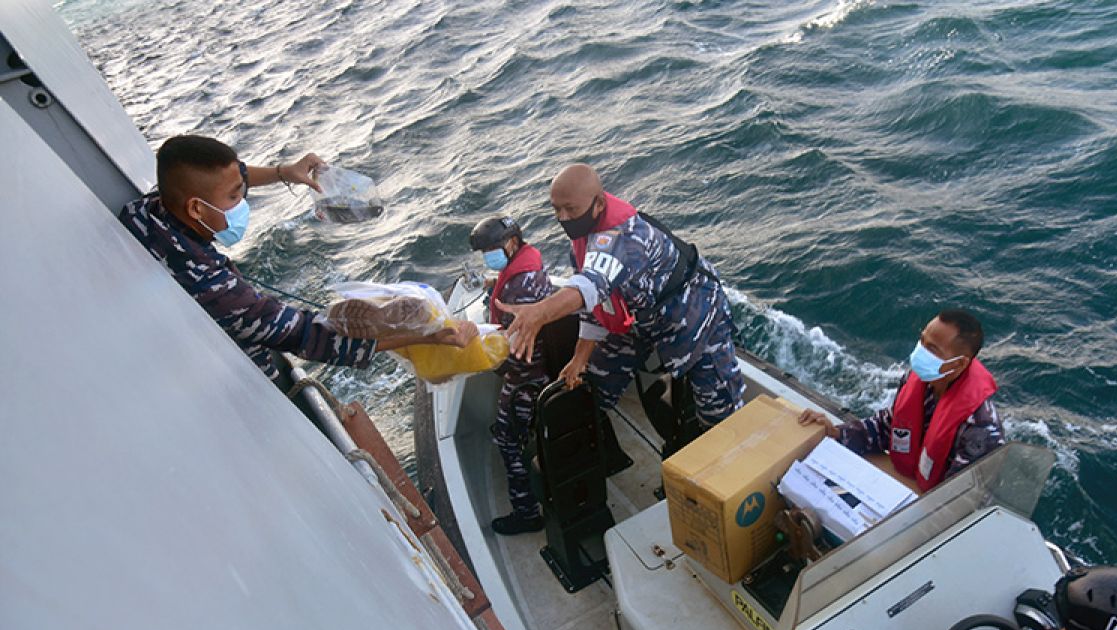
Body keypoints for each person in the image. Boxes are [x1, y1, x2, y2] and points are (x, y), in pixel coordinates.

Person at [119, 134, 476, 383]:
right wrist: (430, 336)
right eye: (234, 196)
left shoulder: (148, 212)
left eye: (241, 189)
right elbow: (312, 337)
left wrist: (281, 172)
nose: (243, 200)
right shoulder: (218, 290)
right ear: (196, 207)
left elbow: (234, 173)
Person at [499, 163, 744, 429]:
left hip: (693, 313)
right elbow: (593, 302)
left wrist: (539, 313)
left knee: (719, 413)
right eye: (557, 209)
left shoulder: (626, 239)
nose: (563, 218)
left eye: (571, 209)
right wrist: (579, 357)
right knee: (595, 383)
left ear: (599, 204)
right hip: (637, 318)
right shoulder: (582, 240)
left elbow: (590, 286)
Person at [797, 308, 1004, 491]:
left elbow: (961, 498)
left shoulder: (981, 427)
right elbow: (884, 428)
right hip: (906, 486)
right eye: (922, 340)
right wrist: (835, 433)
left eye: (932, 349)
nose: (920, 351)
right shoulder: (919, 381)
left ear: (958, 365)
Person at [469, 215, 555, 536]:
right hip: (547, 366)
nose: (488, 256)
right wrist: (495, 284)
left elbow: (513, 354)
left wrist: (475, 348)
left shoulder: (520, 286)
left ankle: (527, 512)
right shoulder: (528, 265)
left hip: (528, 378)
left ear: (512, 242)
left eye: (492, 249)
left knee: (506, 439)